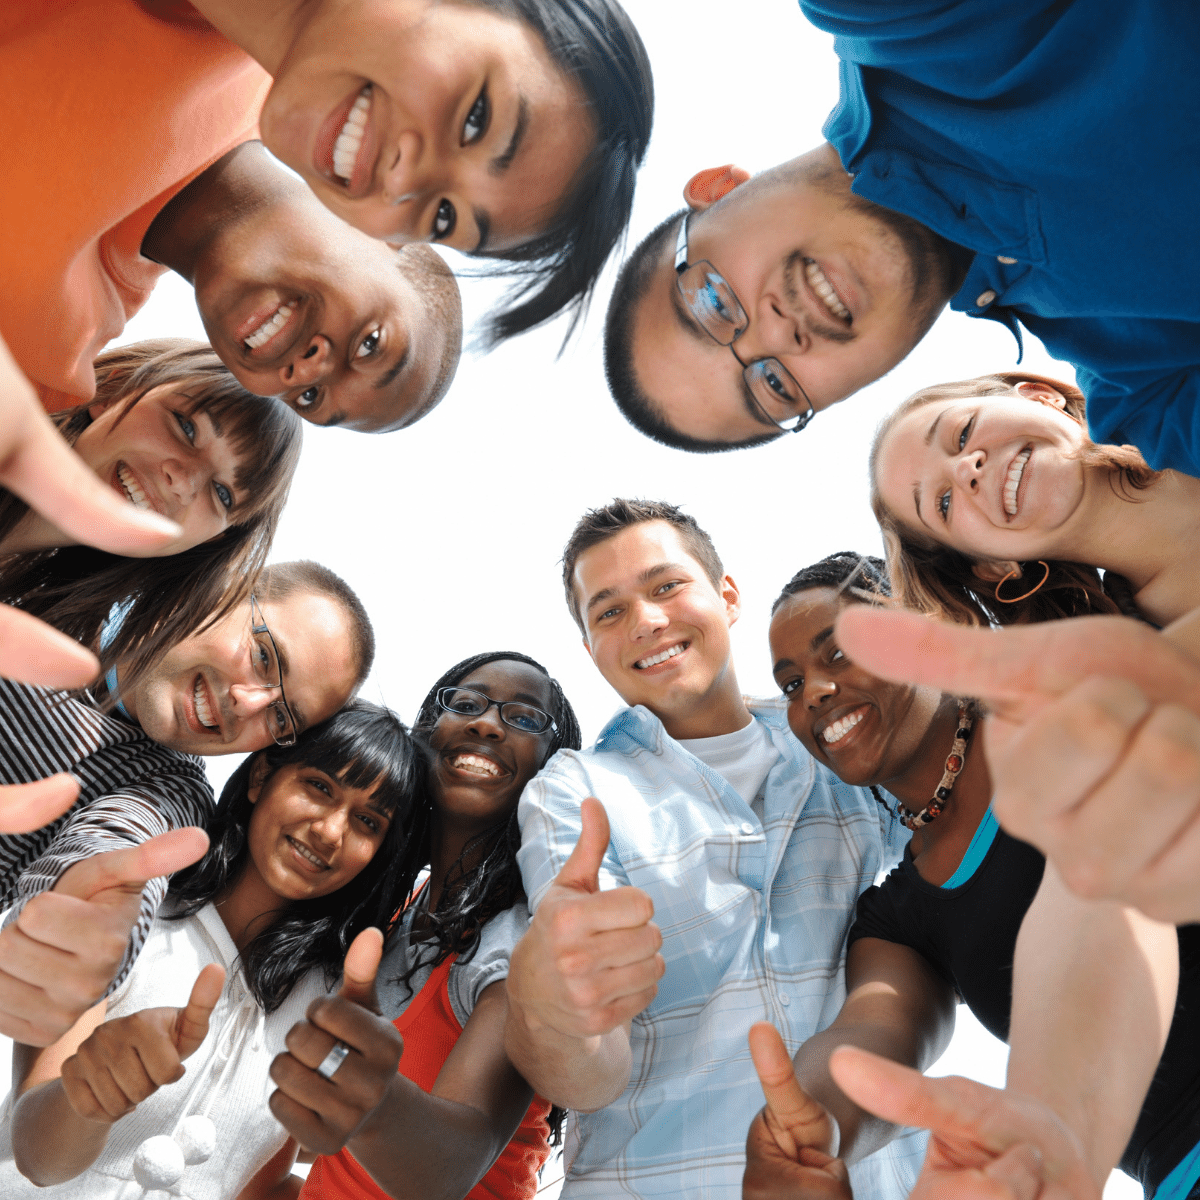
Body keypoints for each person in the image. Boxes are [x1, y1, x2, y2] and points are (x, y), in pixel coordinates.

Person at [502, 499, 932, 1198]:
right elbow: (587, 1067)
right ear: (591, 650)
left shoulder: (843, 736)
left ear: (728, 596)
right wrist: (555, 1005)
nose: (646, 620)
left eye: (667, 586)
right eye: (608, 612)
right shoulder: (574, 794)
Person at [748, 552, 1195, 1199]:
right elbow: (869, 1036)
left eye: (840, 652)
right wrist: (811, 1126)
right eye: (792, 684)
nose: (814, 690)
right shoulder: (898, 918)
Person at [603, 0, 1200, 470]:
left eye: (711, 302)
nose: (777, 334)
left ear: (718, 189)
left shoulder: (898, 16)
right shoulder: (1148, 394)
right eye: (775, 386)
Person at [0, 700, 423, 1200]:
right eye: (319, 786)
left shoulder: (329, 1003)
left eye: (368, 822)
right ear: (261, 776)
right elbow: (34, 1157)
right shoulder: (129, 907)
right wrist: (88, 1093)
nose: (331, 832)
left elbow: (257, 1182)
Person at [0, 559, 375, 1048]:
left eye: (282, 718)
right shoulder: (36, 573)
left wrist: (89, 926)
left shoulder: (166, 790)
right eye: (263, 658)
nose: (249, 703)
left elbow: (123, 853)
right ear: (224, 584)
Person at [272, 650, 583, 1200]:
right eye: (466, 704)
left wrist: (369, 1094)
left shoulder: (522, 948)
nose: (486, 723)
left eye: (525, 717)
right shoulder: (402, 915)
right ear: (426, 734)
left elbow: (448, 1168)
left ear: (552, 769)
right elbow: (333, 1143)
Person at [2, 339, 301, 702]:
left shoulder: (56, 661)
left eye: (222, 494)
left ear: (212, 539)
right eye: (187, 428)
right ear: (111, 392)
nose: (183, 484)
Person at [869, 372, 1200, 631]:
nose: (964, 469)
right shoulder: (1155, 676)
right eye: (943, 504)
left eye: (962, 433)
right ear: (993, 567)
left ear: (1041, 396)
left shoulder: (1183, 371)